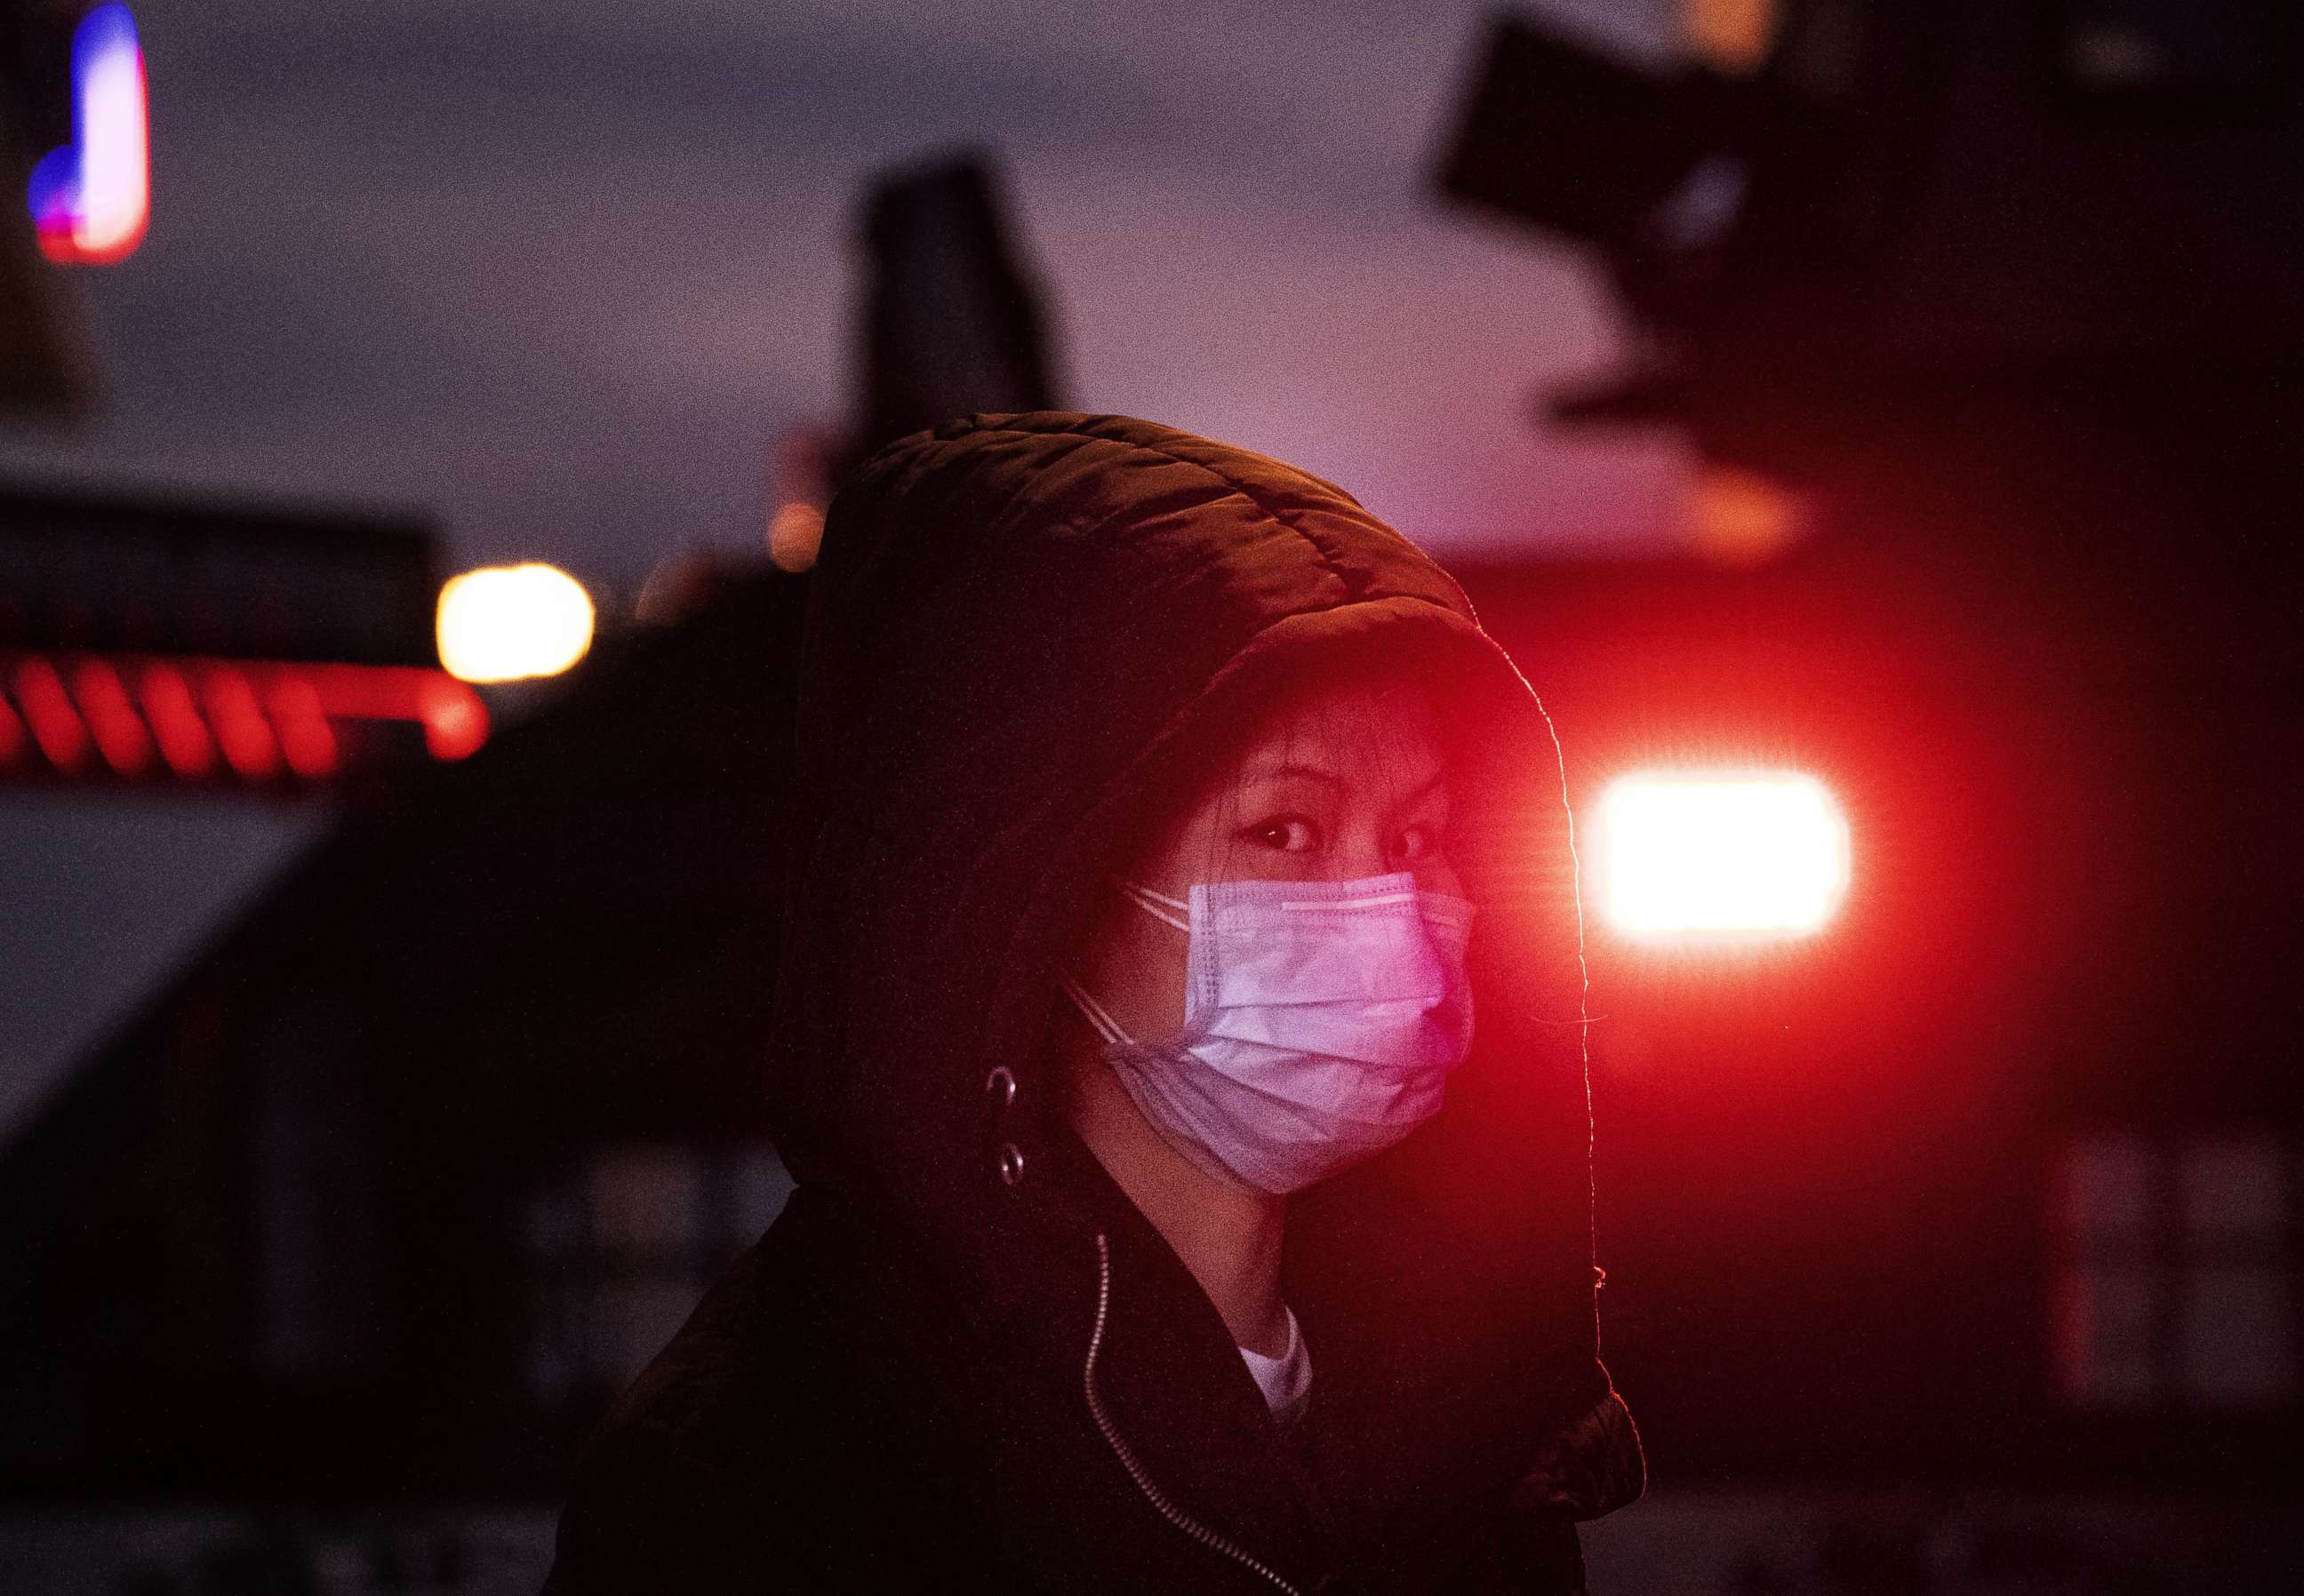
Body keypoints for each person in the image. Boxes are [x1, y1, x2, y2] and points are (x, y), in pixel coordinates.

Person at [542, 412, 1643, 1594]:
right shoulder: (759, 1485)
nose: (1386, 906)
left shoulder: (1464, 1413)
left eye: (1417, 835)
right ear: (1040, 887)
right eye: (1282, 829)